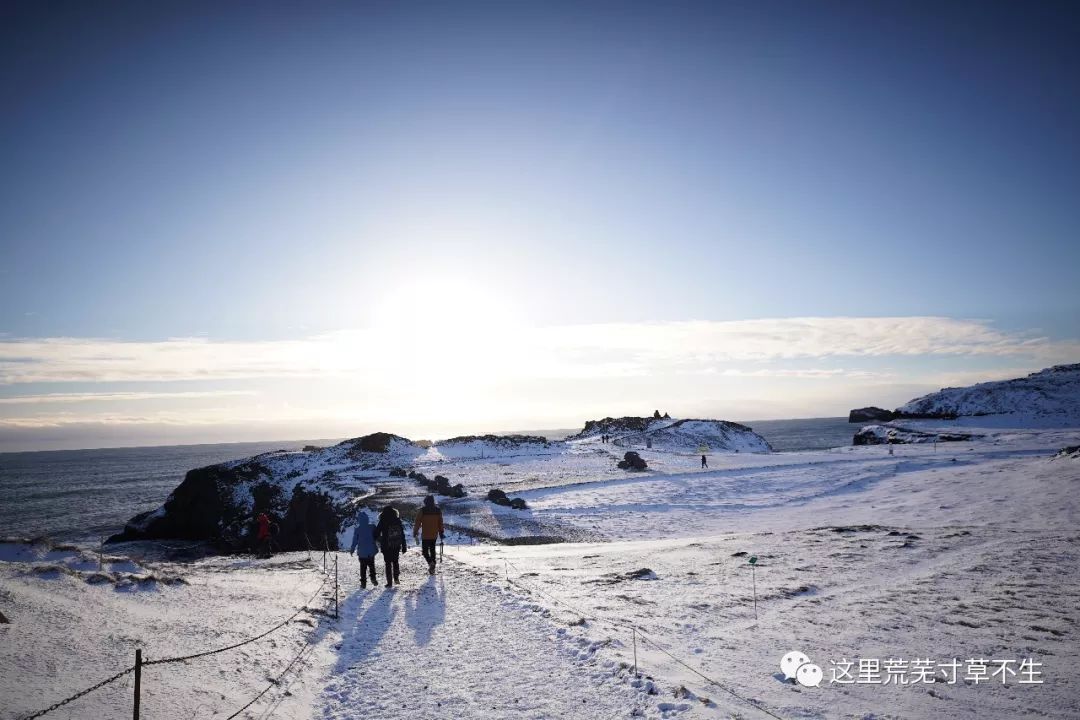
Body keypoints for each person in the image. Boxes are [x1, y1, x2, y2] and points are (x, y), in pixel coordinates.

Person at [375, 505, 407, 588]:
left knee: (388, 563)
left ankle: (389, 583)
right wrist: (404, 546)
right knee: (395, 561)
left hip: (386, 545)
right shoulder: (397, 520)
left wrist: (380, 540)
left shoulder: (382, 520)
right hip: (396, 544)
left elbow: (376, 534)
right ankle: (396, 578)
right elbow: (402, 534)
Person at [413, 495, 445, 575]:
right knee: (432, 550)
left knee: (425, 551)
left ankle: (431, 563)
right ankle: (432, 568)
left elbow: (417, 522)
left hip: (425, 534)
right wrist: (441, 532)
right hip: (434, 534)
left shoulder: (422, 510)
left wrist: (415, 531)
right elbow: (440, 522)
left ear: (425, 502)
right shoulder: (438, 510)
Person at [349, 510, 378, 589]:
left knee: (363, 568)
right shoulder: (372, 527)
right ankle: (373, 578)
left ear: (359, 520)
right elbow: (377, 536)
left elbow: (354, 541)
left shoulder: (357, 530)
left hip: (362, 553)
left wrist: (352, 550)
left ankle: (363, 583)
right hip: (371, 552)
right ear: (367, 519)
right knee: (372, 566)